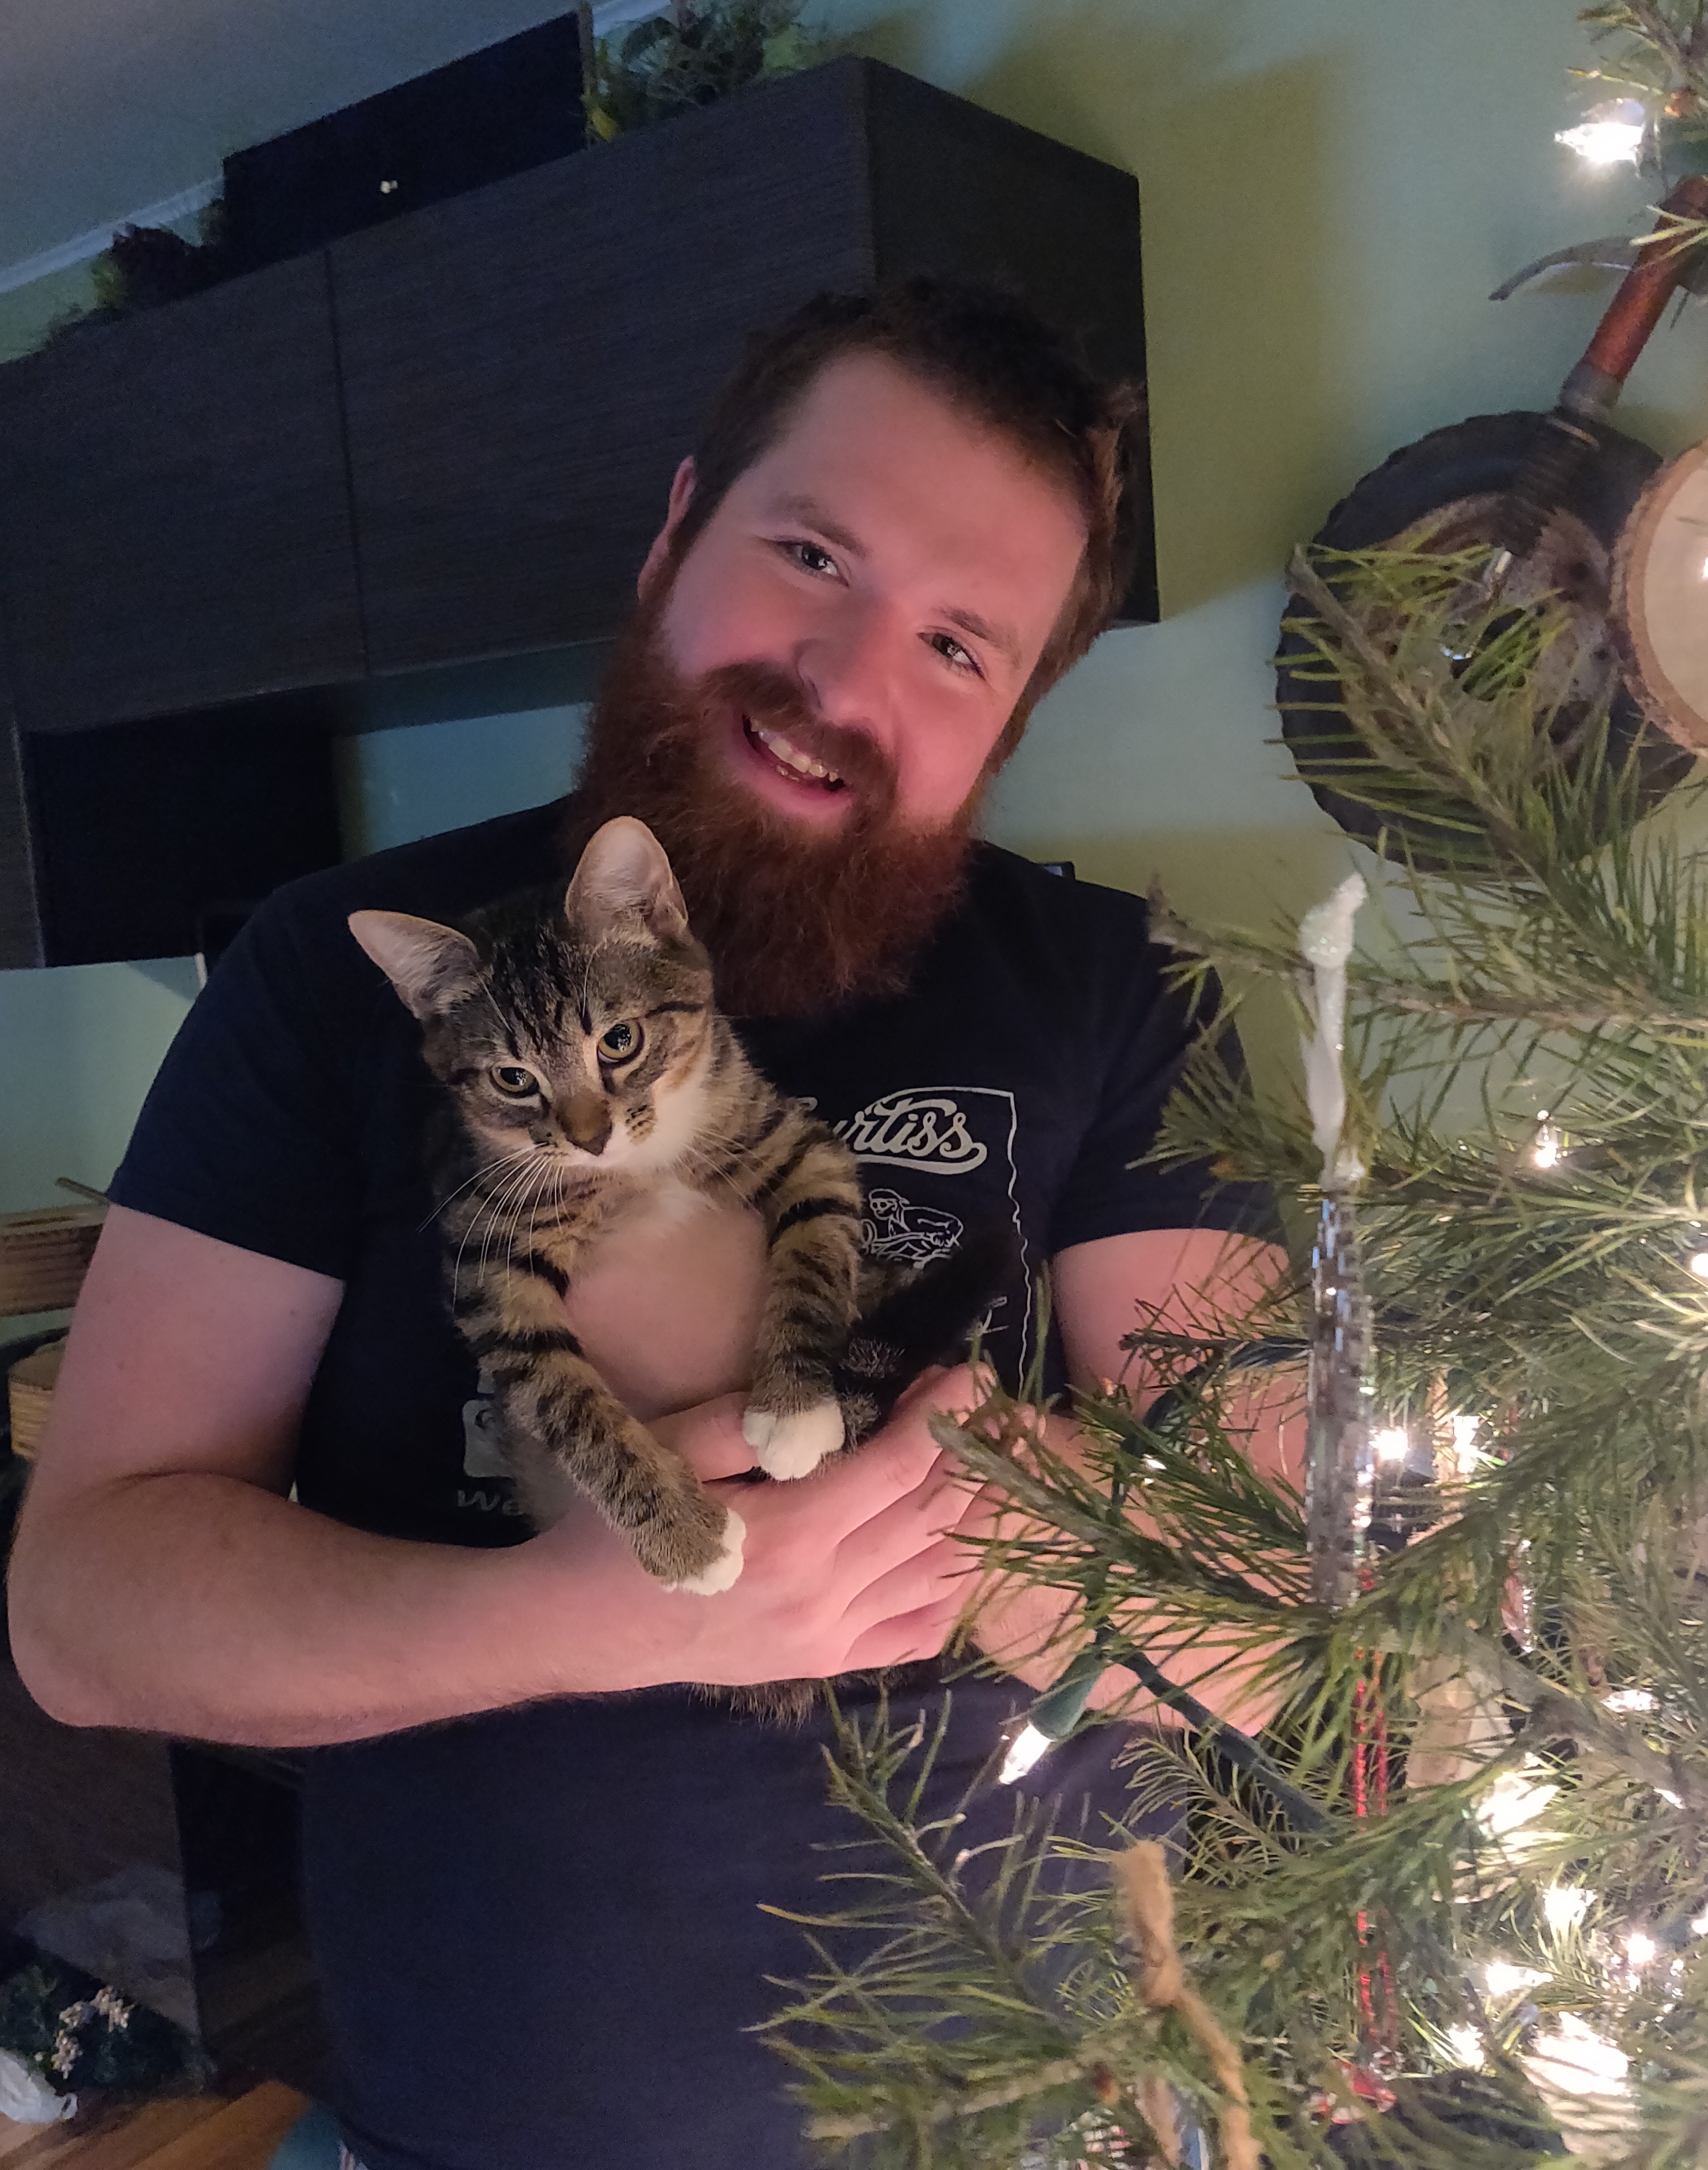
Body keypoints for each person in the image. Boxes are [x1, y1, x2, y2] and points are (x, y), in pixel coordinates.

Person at [7, 279, 1292, 2170]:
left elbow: (1284, 1628)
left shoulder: (1122, 993)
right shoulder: (335, 976)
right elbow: (82, 1612)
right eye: (810, 556)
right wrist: (558, 1616)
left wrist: (997, 1547)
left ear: (1011, 716)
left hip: (1044, 2121)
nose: (847, 683)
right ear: (676, 527)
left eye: (956, 645)